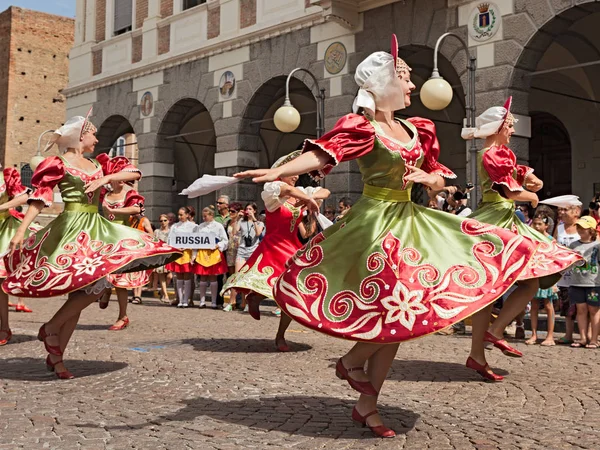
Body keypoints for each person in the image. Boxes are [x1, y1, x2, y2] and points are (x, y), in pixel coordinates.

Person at [234, 37, 561, 436]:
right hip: (375, 225)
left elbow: (439, 176)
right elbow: (325, 154)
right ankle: (354, 363)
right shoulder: (362, 126)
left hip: (410, 220)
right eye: (404, 78)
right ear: (383, 83)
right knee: (392, 312)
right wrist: (275, 173)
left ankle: (366, 403)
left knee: (399, 319)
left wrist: (431, 178)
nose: (411, 86)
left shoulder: (416, 129)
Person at [2, 115, 180, 378]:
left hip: (94, 228)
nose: (97, 139)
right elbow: (40, 199)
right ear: (80, 136)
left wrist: (105, 180)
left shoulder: (99, 164)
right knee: (85, 289)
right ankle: (56, 352)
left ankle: (52, 332)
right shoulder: (58, 163)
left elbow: (135, 173)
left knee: (95, 287)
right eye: (93, 134)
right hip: (70, 228)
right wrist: (20, 230)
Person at [462, 97, 581, 380]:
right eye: (510, 125)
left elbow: (517, 178)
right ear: (498, 127)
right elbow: (509, 193)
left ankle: (486, 342)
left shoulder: (500, 154)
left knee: (523, 282)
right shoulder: (491, 153)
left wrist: (531, 180)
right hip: (495, 219)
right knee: (501, 288)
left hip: (503, 219)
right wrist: (533, 196)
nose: (513, 130)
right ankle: (486, 342)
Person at [223, 150, 330, 352]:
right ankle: (256, 297)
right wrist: (306, 198)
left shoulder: (300, 192)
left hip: (292, 249)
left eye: (298, 171)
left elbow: (326, 192)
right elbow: (286, 190)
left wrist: (312, 197)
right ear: (281, 171)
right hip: (272, 247)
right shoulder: (272, 192)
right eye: (292, 171)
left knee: (292, 293)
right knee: (273, 286)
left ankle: (280, 335)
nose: (297, 175)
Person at [98, 182, 148, 329]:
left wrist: (114, 211)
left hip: (122, 240)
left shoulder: (130, 194)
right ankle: (106, 290)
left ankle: (122, 316)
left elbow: (138, 209)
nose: (120, 180)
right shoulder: (104, 194)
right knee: (103, 273)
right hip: (107, 238)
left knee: (121, 282)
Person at [0, 167, 38, 345]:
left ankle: (4, 327)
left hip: (3, 230)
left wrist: (1, 206)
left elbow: (25, 196)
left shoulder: (5, 176)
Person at [568, 216, 600, 349]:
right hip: (577, 282)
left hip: (593, 283)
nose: (580, 230)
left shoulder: (597, 245)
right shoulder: (574, 244)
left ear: (591, 230)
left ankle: (594, 339)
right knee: (581, 310)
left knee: (594, 310)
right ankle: (582, 338)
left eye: (584, 228)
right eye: (579, 227)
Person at [526, 214, 557, 346]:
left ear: (546, 226)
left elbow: (555, 260)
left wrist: (554, 281)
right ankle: (534, 334)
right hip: (534, 273)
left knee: (548, 305)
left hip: (547, 274)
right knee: (534, 305)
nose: (537, 227)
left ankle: (550, 335)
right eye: (535, 224)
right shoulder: (531, 239)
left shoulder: (551, 240)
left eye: (540, 224)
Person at [555, 205, 582, 344]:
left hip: (580, 273)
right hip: (563, 273)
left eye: (566, 210)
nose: (563, 213)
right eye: (562, 210)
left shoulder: (582, 227)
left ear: (576, 212)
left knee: (583, 307)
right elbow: (553, 245)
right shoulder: (559, 228)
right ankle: (568, 334)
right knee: (566, 305)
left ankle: (585, 336)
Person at [231, 202, 264, 310]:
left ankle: (248, 303)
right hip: (241, 251)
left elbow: (258, 233)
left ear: (254, 210)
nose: (248, 210)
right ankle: (237, 302)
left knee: (249, 278)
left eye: (250, 209)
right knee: (238, 276)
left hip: (252, 252)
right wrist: (237, 219)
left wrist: (253, 219)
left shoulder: (259, 223)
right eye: (247, 209)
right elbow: (235, 232)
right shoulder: (242, 221)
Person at [194, 206, 228, 309]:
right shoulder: (200, 227)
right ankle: (202, 301)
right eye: (203, 216)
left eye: (205, 216)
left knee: (213, 277)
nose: (204, 218)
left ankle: (213, 301)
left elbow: (225, 240)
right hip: (202, 254)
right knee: (203, 277)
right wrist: (194, 255)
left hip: (214, 254)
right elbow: (195, 241)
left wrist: (218, 245)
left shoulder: (218, 226)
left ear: (211, 215)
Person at [165, 206, 198, 308]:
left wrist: (194, 255)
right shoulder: (175, 226)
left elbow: (196, 242)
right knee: (178, 277)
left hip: (187, 253)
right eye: (178, 214)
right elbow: (170, 240)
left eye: (181, 215)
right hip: (178, 254)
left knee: (187, 277)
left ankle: (186, 299)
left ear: (187, 215)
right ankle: (180, 299)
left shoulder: (194, 227)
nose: (179, 217)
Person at [129, 210, 154, 304]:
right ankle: (134, 294)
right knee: (133, 273)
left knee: (140, 273)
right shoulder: (131, 220)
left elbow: (151, 234)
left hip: (141, 249)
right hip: (132, 249)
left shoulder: (144, 220)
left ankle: (138, 295)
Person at [223, 203, 242, 311]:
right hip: (230, 250)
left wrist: (238, 218)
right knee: (231, 274)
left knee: (238, 274)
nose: (230, 213)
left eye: (233, 211)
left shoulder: (242, 221)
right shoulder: (227, 222)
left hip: (240, 249)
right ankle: (233, 298)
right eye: (229, 211)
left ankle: (238, 299)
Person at [153, 214, 172, 304]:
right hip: (160, 256)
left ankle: (162, 291)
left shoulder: (172, 231)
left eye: (165, 220)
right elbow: (154, 242)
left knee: (169, 276)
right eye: (161, 221)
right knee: (161, 275)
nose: (163, 222)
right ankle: (166, 295)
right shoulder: (157, 231)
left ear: (168, 221)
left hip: (169, 255)